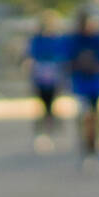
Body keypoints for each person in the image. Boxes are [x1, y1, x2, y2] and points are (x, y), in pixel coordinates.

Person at [66, 8, 99, 165]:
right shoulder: (74, 39)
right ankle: (86, 143)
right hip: (81, 81)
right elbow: (67, 59)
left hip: (95, 81)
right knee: (84, 114)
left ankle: (98, 138)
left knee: (96, 112)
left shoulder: (98, 38)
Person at [25, 12, 67, 150]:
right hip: (41, 74)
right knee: (42, 103)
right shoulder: (37, 40)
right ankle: (43, 131)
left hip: (54, 74)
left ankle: (50, 129)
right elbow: (31, 56)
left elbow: (63, 57)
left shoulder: (57, 40)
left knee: (51, 103)